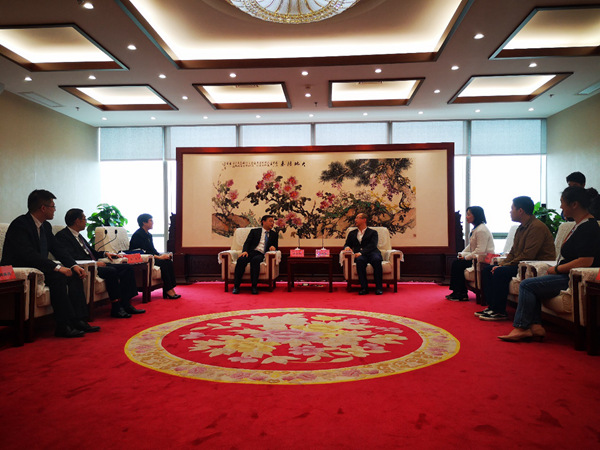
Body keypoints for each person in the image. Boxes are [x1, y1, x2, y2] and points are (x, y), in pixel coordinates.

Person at [499, 187, 600, 342]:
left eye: (562, 202)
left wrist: (557, 269)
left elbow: (585, 261)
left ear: (574, 204)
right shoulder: (579, 225)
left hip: (573, 278)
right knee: (532, 283)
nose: (560, 207)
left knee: (527, 285)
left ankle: (521, 327)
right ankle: (536, 326)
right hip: (565, 274)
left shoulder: (589, 227)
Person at [0, 190, 99, 338]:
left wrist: (73, 265)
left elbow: (58, 249)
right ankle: (63, 326)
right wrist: (57, 268)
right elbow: (28, 254)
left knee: (74, 275)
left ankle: (78, 320)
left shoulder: (45, 226)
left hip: (39, 267)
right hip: (21, 269)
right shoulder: (20, 224)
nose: (55, 210)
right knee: (58, 277)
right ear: (43, 208)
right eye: (53, 206)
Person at [55, 208, 144, 318]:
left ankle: (126, 303)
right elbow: (71, 257)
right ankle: (116, 307)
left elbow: (92, 252)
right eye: (84, 219)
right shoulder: (62, 236)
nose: (86, 222)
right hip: (86, 267)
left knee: (127, 268)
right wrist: (95, 263)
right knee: (111, 271)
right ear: (77, 221)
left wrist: (105, 254)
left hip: (95, 264)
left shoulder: (78, 235)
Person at [477, 196, 555, 321]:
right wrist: (502, 264)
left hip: (533, 265)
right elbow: (513, 252)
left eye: (512, 208)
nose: (510, 212)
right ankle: (492, 307)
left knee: (500, 272)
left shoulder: (536, 227)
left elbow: (528, 255)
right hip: (520, 263)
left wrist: (504, 267)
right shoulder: (521, 228)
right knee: (488, 270)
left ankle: (499, 311)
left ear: (520, 211)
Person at [446, 206, 495, 301]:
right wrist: (462, 254)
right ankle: (458, 292)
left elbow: (480, 250)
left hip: (483, 259)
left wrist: (466, 257)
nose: (466, 217)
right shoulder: (476, 229)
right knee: (457, 262)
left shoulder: (481, 230)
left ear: (476, 215)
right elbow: (471, 246)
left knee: (458, 265)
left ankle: (461, 293)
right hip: (476, 257)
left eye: (469, 215)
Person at [129, 213, 180, 299]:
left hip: (151, 257)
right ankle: (168, 290)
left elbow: (152, 250)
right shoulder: (138, 235)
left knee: (168, 262)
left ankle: (170, 288)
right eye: (150, 220)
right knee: (163, 263)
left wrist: (162, 255)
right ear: (144, 222)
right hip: (142, 259)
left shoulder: (149, 235)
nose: (152, 222)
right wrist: (159, 257)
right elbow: (143, 252)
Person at [232, 215, 279, 295]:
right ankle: (236, 286)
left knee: (255, 261)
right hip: (250, 252)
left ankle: (254, 287)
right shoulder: (254, 231)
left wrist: (273, 247)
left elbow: (276, 247)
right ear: (263, 222)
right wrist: (245, 251)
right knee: (241, 260)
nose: (272, 223)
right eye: (270, 221)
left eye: (273, 222)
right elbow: (247, 242)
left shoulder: (274, 234)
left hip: (261, 254)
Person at [344, 212, 383, 295]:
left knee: (377, 260)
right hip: (360, 256)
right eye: (355, 218)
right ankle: (364, 288)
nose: (355, 220)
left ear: (364, 220)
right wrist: (347, 247)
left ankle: (379, 287)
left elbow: (373, 245)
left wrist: (361, 252)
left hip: (372, 253)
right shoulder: (352, 233)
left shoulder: (373, 232)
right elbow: (347, 244)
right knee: (360, 261)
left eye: (358, 218)